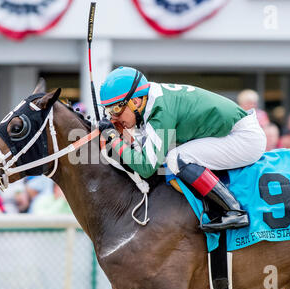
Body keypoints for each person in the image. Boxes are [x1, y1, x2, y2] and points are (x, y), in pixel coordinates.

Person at [99, 66, 266, 232]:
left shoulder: (160, 110)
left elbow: (146, 166)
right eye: (108, 110)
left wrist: (113, 139)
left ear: (135, 101)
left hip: (244, 138)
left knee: (176, 158)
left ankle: (233, 210)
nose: (113, 117)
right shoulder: (151, 98)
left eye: (116, 109)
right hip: (231, 133)